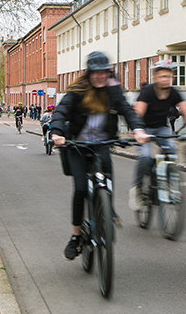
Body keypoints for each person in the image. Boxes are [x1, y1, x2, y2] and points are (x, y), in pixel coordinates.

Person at [50, 51, 149, 261]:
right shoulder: (78, 90)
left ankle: (106, 210)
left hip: (101, 144)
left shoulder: (112, 90)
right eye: (96, 73)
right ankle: (76, 236)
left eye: (104, 72)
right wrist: (57, 132)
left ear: (108, 72)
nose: (100, 77)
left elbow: (127, 110)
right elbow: (61, 111)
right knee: (79, 189)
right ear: (89, 73)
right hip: (77, 145)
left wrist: (138, 129)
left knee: (107, 180)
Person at [129, 60, 186, 210]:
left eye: (168, 76)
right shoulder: (148, 91)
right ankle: (138, 188)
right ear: (155, 77)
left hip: (161, 128)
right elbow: (138, 113)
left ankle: (166, 180)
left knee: (172, 149)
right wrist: (139, 131)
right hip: (145, 128)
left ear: (172, 77)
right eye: (162, 76)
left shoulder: (173, 93)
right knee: (146, 155)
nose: (165, 79)